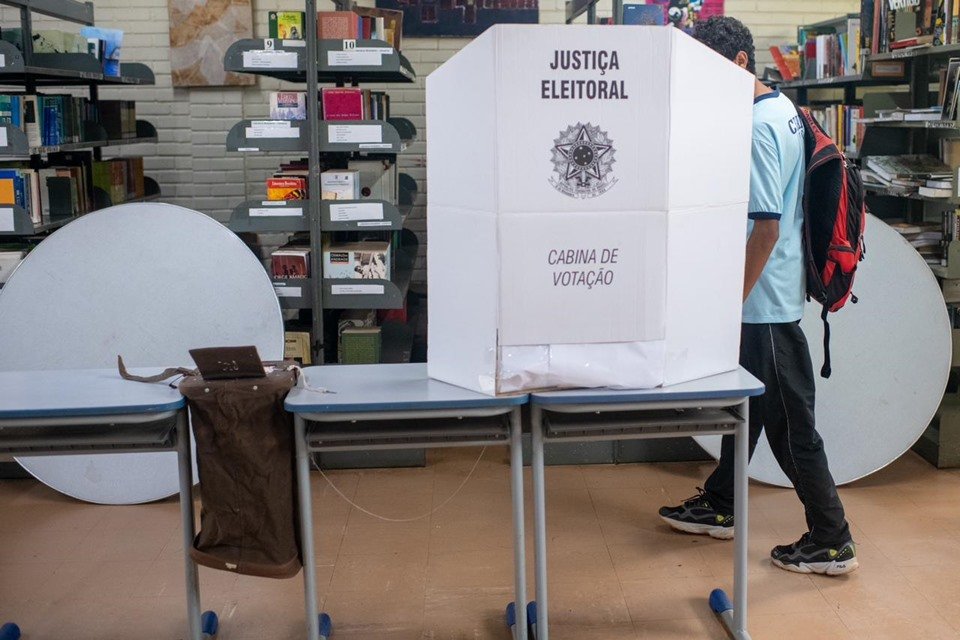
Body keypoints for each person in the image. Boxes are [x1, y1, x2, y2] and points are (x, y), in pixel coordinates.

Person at [657, 16, 858, 576]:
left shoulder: (758, 127)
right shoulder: (784, 110)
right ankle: (723, 503)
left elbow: (765, 227)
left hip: (765, 302)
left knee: (793, 430)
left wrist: (730, 303)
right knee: (746, 407)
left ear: (740, 64)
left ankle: (832, 538)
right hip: (772, 293)